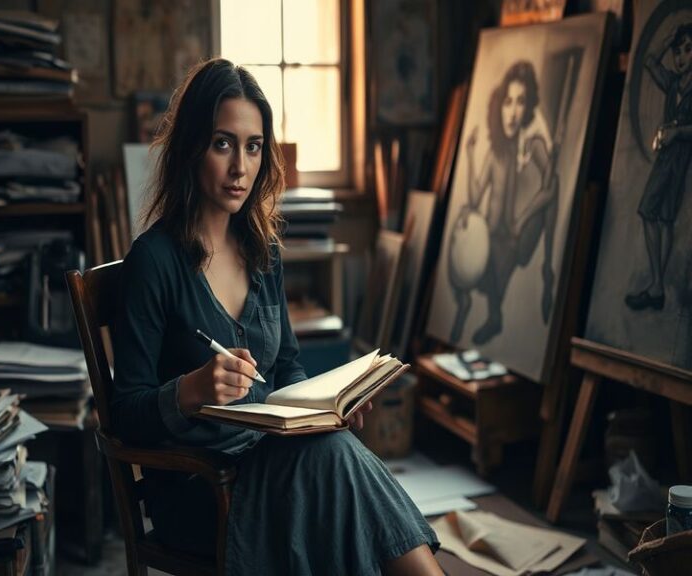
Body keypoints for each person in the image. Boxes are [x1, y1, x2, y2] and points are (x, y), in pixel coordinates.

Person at [112, 58, 442, 576]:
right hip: (202, 491)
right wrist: (191, 390)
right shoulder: (154, 261)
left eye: (253, 145)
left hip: (270, 460)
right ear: (192, 147)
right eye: (222, 143)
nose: (240, 167)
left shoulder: (260, 250)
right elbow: (123, 411)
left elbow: (286, 367)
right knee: (332, 468)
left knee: (331, 448)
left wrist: (329, 406)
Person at [450, 60, 557, 345]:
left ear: (528, 108)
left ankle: (495, 317)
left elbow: (552, 186)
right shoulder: (496, 151)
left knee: (496, 266)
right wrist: (471, 156)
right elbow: (474, 196)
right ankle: (465, 304)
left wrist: (523, 220)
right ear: (499, 105)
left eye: (520, 103)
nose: (512, 112)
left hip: (511, 237)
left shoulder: (531, 145)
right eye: (508, 102)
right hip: (488, 231)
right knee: (460, 259)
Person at [625, 23, 692, 311]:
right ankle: (657, 285)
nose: (681, 58)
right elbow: (650, 61)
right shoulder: (673, 83)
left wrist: (679, 132)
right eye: (678, 52)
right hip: (666, 156)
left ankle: (657, 287)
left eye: (688, 50)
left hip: (679, 159)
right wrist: (667, 40)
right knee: (650, 212)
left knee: (662, 216)